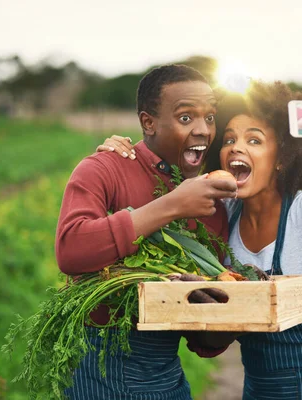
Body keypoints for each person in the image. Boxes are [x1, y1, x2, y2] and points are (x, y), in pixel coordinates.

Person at [101, 81, 302, 399]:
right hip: (258, 389)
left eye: (254, 140)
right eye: (230, 139)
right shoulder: (223, 213)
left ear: (281, 158)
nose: (236, 146)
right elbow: (165, 189)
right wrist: (127, 154)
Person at [56, 64, 238, 399]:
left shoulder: (212, 204)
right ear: (148, 123)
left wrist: (228, 315)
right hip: (97, 373)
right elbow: (71, 250)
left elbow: (203, 339)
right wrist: (173, 204)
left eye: (209, 117)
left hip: (165, 374)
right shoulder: (104, 168)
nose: (202, 130)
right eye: (186, 118)